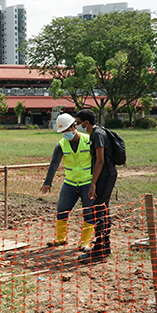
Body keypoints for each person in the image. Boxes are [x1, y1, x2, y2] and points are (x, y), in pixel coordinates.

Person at [40, 113, 95, 251]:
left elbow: (98, 160)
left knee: (89, 212)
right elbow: (54, 164)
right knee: (62, 210)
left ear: (74, 126)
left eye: (66, 130)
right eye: (62, 131)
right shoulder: (61, 145)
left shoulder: (88, 140)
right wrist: (48, 182)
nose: (65, 133)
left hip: (87, 183)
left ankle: (84, 243)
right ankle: (61, 238)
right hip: (70, 183)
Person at [75, 109, 118, 263]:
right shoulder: (98, 133)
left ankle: (99, 251)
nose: (77, 125)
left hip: (105, 177)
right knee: (103, 209)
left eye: (79, 123)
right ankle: (104, 247)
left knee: (99, 210)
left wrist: (93, 184)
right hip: (105, 176)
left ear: (86, 123)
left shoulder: (97, 135)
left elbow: (100, 160)